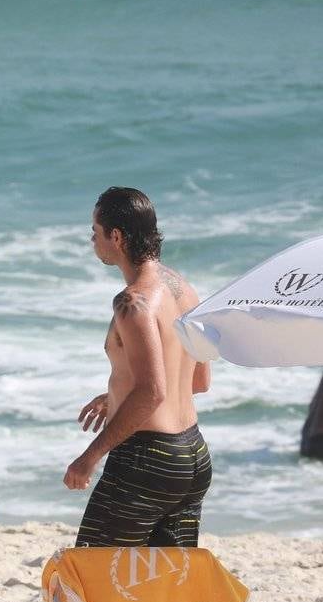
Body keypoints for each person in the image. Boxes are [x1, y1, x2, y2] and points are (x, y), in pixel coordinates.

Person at [64, 187, 212, 548]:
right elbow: (198, 380)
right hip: (192, 456)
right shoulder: (182, 289)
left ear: (116, 237)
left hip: (148, 459)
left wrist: (89, 457)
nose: (92, 240)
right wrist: (117, 393)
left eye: (95, 232)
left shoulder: (133, 302)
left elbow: (152, 392)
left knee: (96, 576)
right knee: (164, 588)